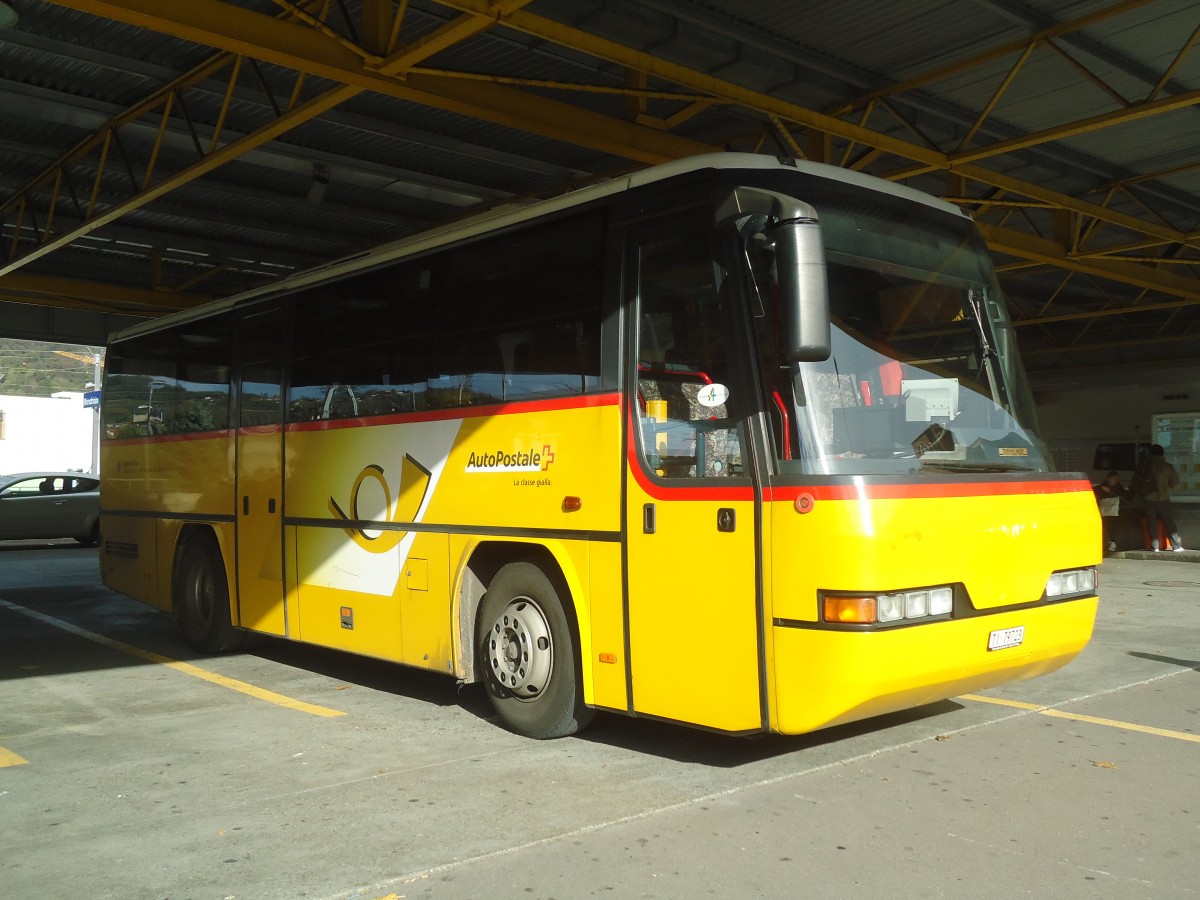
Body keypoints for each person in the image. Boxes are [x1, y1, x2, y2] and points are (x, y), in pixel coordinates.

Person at [1143, 444, 1183, 551]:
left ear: (1150, 454)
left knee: (1152, 522)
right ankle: (1176, 546)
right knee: (1169, 522)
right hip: (1163, 498)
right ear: (1162, 454)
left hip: (1148, 498)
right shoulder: (1167, 466)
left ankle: (1154, 546)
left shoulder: (1145, 466)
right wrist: (1166, 487)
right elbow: (1175, 482)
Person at [1093, 470, 1125, 553]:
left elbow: (1124, 494)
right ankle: (1106, 542)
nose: (1115, 481)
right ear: (1108, 479)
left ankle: (1112, 542)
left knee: (1111, 525)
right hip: (1105, 510)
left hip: (1113, 511)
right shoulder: (1102, 487)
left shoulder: (1118, 487)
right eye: (1113, 479)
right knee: (1105, 526)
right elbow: (1095, 491)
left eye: (1117, 479)